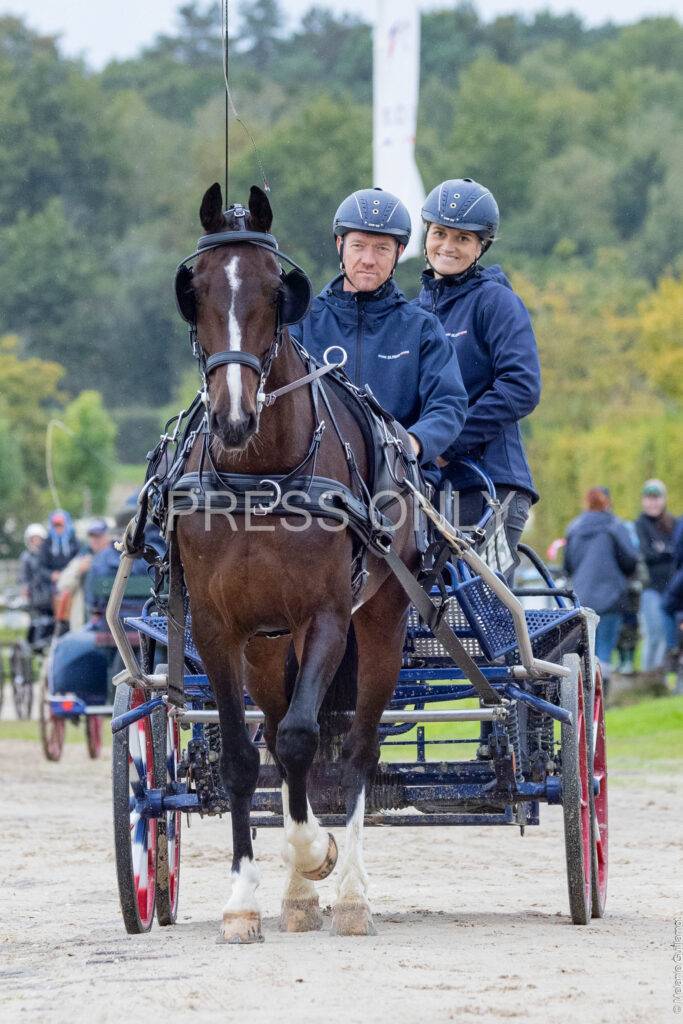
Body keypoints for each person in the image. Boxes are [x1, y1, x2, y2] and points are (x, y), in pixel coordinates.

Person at [288, 187, 468, 482]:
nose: (368, 259)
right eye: (358, 246)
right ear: (340, 245)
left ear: (399, 253)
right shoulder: (302, 322)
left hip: (399, 479)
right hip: (314, 477)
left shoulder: (422, 328)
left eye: (382, 248)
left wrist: (413, 443)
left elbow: (448, 404)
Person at [413, 178, 541, 576]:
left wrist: (446, 442)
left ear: (481, 246)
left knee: (482, 608)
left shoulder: (495, 301)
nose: (448, 246)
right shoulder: (415, 311)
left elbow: (521, 387)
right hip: (428, 489)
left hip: (491, 488)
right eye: (440, 233)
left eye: (463, 238)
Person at [563, 487, 639, 685]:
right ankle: (602, 691)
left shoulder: (574, 528)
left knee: (588, 647)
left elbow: (568, 565)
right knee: (605, 648)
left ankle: (588, 689)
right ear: (608, 502)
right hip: (611, 596)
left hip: (582, 597)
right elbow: (630, 561)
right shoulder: (615, 526)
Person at [635, 479, 678, 672]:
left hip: (672, 589)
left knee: (669, 636)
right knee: (654, 635)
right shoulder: (640, 524)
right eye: (649, 498)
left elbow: (676, 552)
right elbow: (647, 553)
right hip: (651, 588)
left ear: (664, 499)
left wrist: (662, 550)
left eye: (657, 498)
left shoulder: (673, 523)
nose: (653, 503)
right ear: (644, 500)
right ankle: (648, 675)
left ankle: (659, 676)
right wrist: (666, 551)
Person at [56, 518, 112, 631]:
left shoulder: (115, 558)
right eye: (92, 536)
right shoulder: (82, 558)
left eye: (99, 536)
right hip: (84, 617)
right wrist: (78, 570)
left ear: (107, 536)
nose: (95, 540)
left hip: (108, 619)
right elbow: (62, 585)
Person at [38, 509, 80, 584]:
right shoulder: (47, 543)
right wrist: (50, 574)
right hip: (51, 583)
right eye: (56, 525)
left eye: (60, 525)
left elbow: (79, 560)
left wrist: (68, 573)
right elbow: (41, 567)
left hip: (71, 580)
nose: (58, 528)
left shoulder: (74, 542)